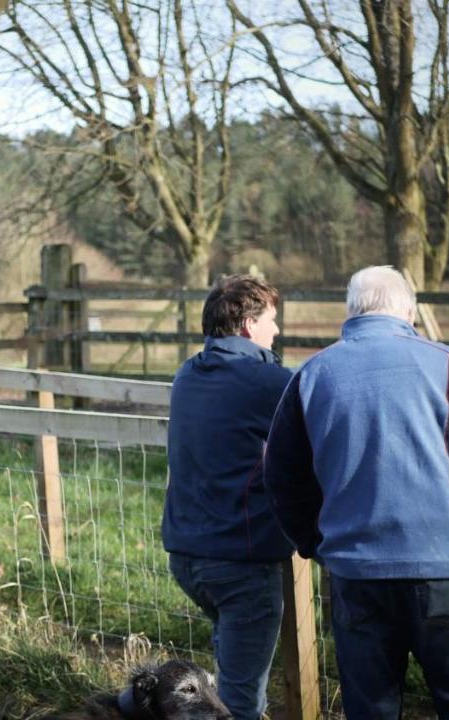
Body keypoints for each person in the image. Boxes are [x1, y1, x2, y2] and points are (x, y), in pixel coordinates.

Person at [264, 265, 449, 719]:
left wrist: (315, 543)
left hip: (355, 570)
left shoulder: (311, 374)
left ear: (350, 311)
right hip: (443, 563)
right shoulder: (438, 361)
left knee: (371, 709)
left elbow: (281, 474)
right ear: (409, 310)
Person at [162, 274, 294, 720]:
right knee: (237, 705)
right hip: (240, 560)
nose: (276, 331)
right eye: (270, 321)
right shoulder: (264, 380)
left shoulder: (187, 373)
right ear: (245, 326)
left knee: (225, 683)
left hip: (187, 555)